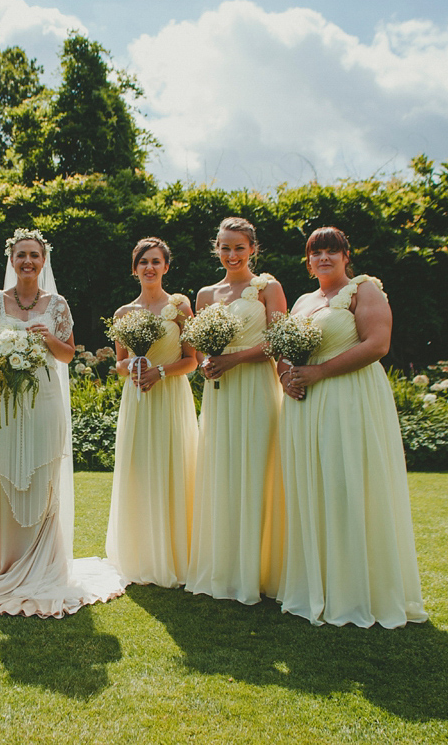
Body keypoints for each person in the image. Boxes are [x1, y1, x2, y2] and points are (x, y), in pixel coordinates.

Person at [0, 229, 126, 617]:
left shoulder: (57, 304)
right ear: (12, 259)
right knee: (4, 474)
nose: (28, 262)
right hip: (4, 398)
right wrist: (3, 349)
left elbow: (68, 355)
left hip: (45, 399)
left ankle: (43, 564)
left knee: (41, 475)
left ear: (43, 260)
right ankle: (4, 564)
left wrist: (49, 338)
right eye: (21, 255)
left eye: (34, 256)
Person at [277, 226, 427, 627]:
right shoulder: (304, 300)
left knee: (348, 486)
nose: (323, 258)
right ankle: (319, 585)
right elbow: (283, 348)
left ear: (346, 256)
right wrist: (285, 377)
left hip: (348, 399)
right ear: (308, 261)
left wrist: (320, 371)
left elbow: (377, 344)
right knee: (314, 487)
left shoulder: (364, 290)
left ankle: (358, 591)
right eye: (316, 252)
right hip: (305, 405)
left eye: (332, 251)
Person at [185, 217, 286, 606]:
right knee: (222, 470)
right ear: (217, 249)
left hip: (257, 387)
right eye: (225, 248)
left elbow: (279, 339)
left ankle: (255, 572)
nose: (231, 255)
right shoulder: (206, 294)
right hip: (220, 394)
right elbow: (196, 346)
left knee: (257, 470)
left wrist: (235, 359)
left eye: (239, 248)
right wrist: (209, 360)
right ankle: (224, 568)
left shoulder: (267, 287)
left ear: (252, 249)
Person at [105, 237, 199, 587]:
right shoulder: (122, 314)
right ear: (134, 269)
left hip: (170, 395)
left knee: (174, 466)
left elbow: (192, 361)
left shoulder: (179, 306)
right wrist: (131, 365)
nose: (149, 267)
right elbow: (117, 364)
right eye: (143, 262)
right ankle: (141, 553)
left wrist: (159, 372)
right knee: (139, 470)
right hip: (138, 400)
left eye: (156, 261)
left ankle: (175, 554)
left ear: (166, 267)